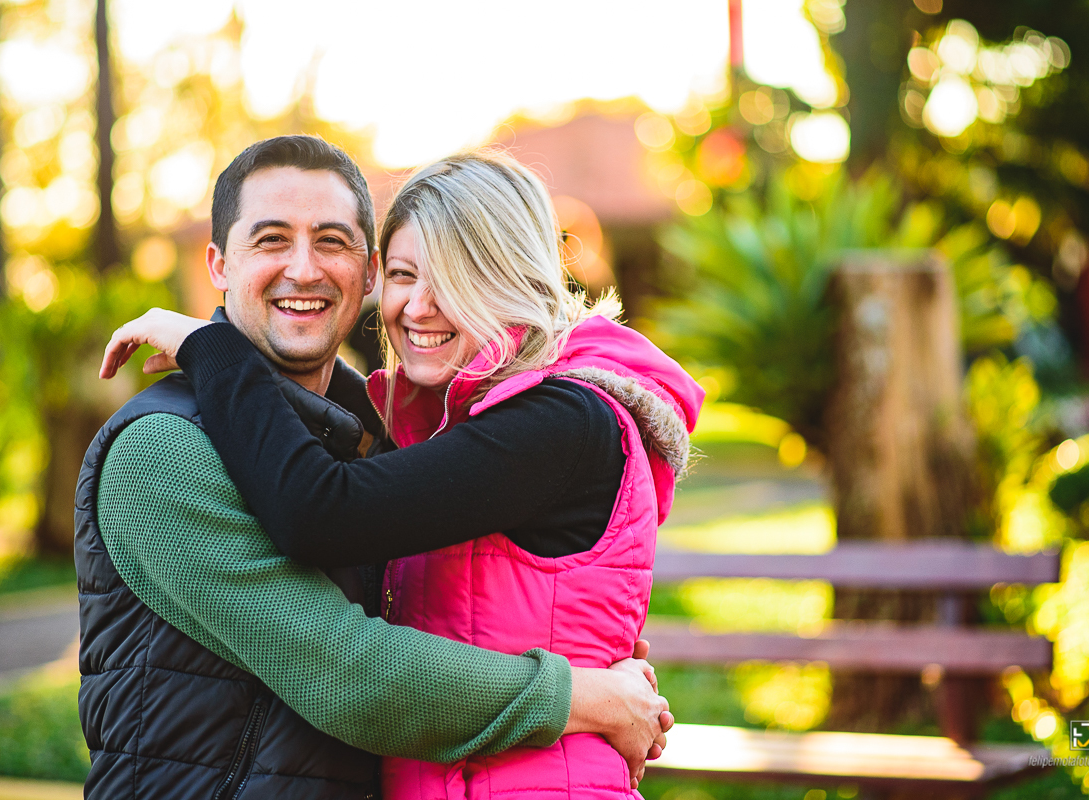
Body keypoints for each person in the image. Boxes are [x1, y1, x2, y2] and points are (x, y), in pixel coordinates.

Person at [102, 150, 703, 799]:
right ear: (219, 264)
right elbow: (361, 661)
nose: (419, 306)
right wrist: (588, 694)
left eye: (454, 276)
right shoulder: (168, 447)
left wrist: (208, 347)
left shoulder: (558, 419)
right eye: (407, 275)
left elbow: (323, 517)